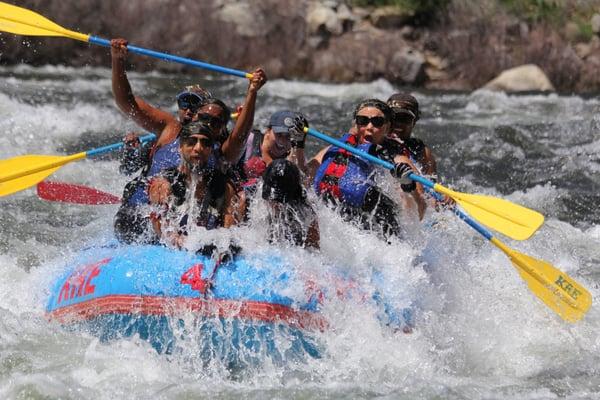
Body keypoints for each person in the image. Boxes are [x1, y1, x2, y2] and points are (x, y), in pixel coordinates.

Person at [110, 38, 266, 243]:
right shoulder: (170, 129)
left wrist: (252, 92)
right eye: (203, 117)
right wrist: (117, 60)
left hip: (191, 219)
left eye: (215, 122)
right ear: (193, 116)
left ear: (222, 127)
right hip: (147, 211)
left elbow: (241, 136)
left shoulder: (222, 150)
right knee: (156, 189)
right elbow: (127, 103)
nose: (208, 124)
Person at [308, 99, 426, 240]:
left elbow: (419, 212)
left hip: (377, 233)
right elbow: (304, 178)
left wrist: (408, 187)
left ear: (388, 127)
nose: (369, 127)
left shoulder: (399, 161)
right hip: (335, 227)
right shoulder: (335, 150)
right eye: (363, 120)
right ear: (356, 124)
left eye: (377, 122)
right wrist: (298, 144)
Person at [146, 121, 238, 248]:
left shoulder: (223, 187)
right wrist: (183, 243)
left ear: (211, 150)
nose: (198, 148)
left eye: (205, 143)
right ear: (180, 147)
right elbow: (162, 232)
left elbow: (228, 233)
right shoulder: (164, 184)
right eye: (191, 142)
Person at [241, 111, 319, 249]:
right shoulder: (249, 140)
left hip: (277, 204)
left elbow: (300, 182)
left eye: (288, 137)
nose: (282, 142)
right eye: (278, 135)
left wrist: (300, 143)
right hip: (248, 198)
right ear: (268, 131)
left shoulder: (291, 157)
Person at [386, 93, 437, 176]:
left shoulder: (422, 152)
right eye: (393, 117)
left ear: (414, 122)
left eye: (404, 119)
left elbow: (431, 185)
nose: (397, 123)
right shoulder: (374, 143)